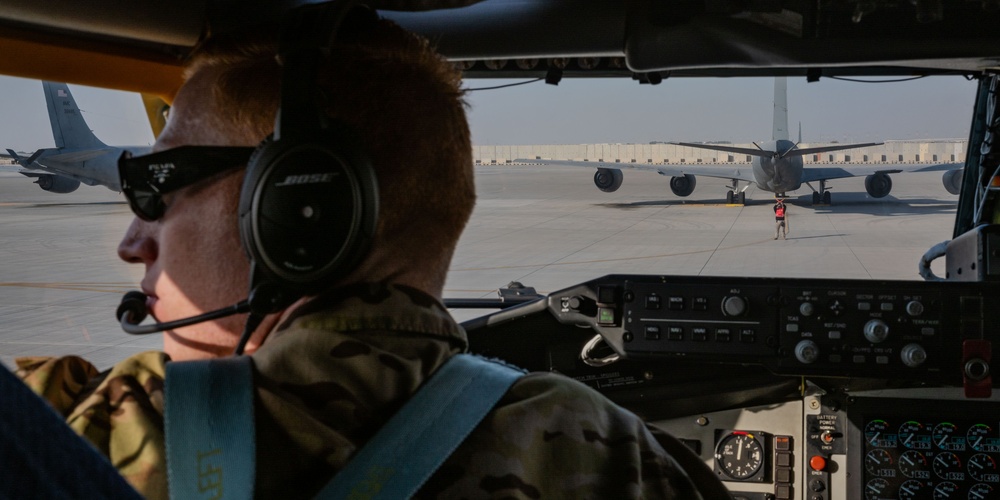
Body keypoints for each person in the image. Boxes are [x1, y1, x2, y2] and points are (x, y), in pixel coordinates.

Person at [12, 9, 727, 499]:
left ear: (300, 208)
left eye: (158, 183)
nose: (131, 242)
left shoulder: (73, 428)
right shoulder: (622, 463)